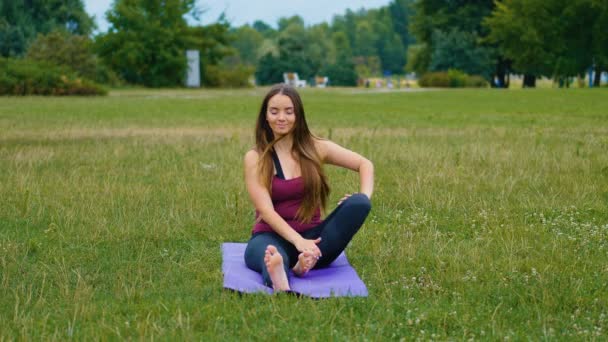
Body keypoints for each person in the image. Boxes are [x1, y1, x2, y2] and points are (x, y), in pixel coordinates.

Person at [243, 83, 374, 292]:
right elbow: (266, 211)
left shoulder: (316, 147)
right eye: (274, 111)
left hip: (315, 241)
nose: (281, 118)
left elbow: (364, 164)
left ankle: (303, 263)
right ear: (265, 117)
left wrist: (364, 195)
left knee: (359, 203)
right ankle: (281, 278)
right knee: (271, 255)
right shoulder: (256, 157)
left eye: (288, 111)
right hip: (271, 236)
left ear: (298, 115)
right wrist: (298, 242)